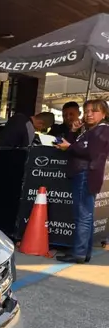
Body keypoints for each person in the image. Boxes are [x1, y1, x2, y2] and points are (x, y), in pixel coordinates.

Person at [54, 99, 109, 263]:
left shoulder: (102, 130)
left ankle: (78, 253)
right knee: (86, 216)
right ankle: (84, 252)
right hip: (83, 173)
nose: (89, 114)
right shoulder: (90, 130)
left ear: (104, 114)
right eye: (87, 111)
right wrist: (73, 131)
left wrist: (70, 147)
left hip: (86, 174)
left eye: (94, 111)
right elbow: (73, 145)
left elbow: (91, 152)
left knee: (83, 216)